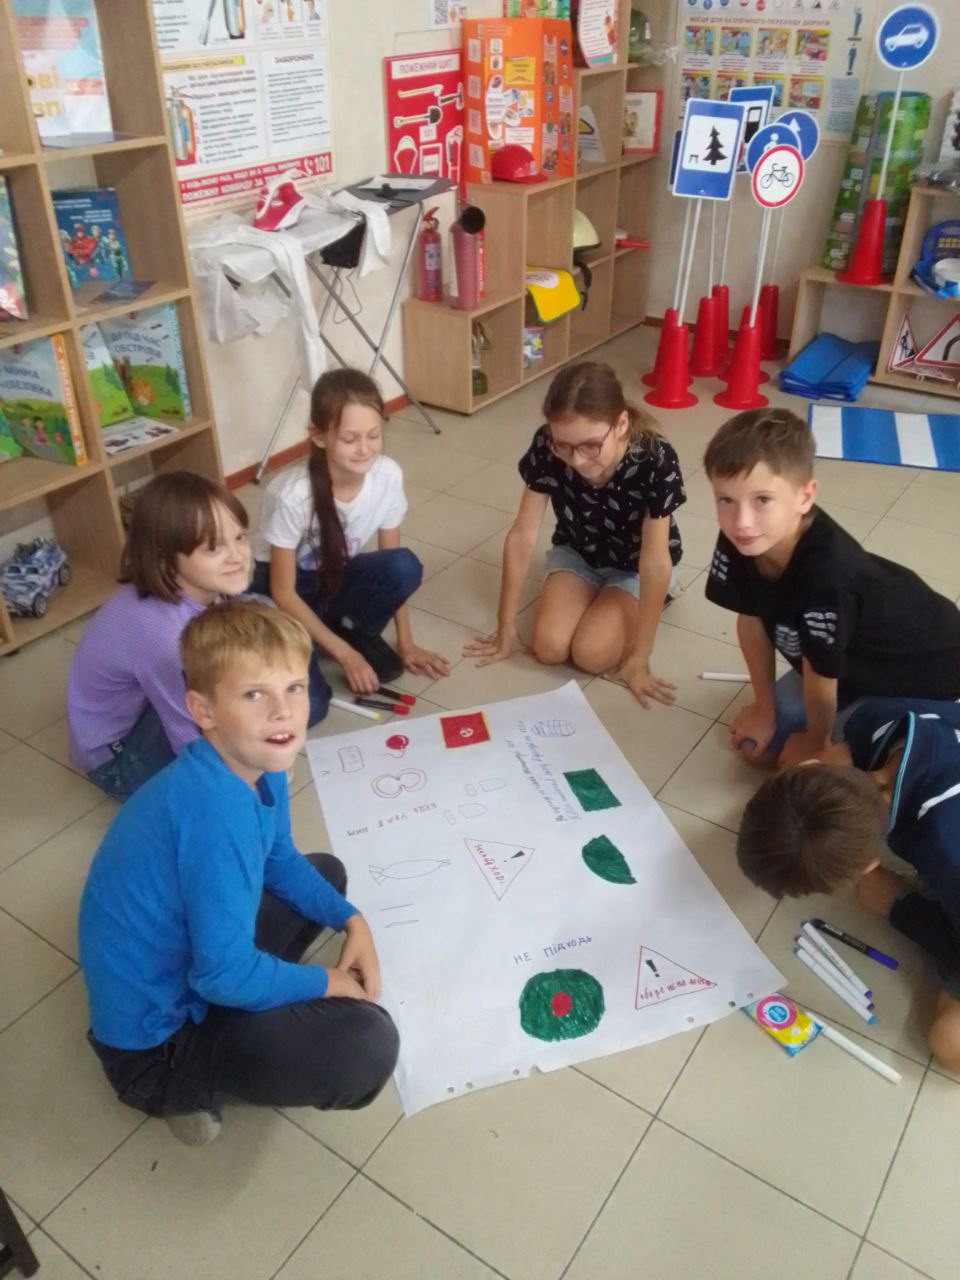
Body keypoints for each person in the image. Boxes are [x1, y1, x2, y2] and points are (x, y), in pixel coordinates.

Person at [78, 602, 399, 1146]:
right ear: (202, 710)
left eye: (294, 687)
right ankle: (180, 1090)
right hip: (154, 1049)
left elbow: (279, 860)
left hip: (193, 971)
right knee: (369, 1046)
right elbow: (221, 978)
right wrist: (328, 982)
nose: (283, 712)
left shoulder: (255, 764)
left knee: (326, 875)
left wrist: (353, 921)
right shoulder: (214, 812)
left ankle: (247, 1009)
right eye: (254, 695)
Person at [702, 407, 960, 766]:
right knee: (756, 750)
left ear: (805, 496)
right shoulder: (746, 536)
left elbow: (821, 676)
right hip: (845, 663)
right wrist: (764, 707)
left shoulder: (828, 573)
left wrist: (816, 743)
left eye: (762, 500)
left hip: (923, 675)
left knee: (803, 769)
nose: (742, 521)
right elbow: (751, 618)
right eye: (726, 500)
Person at [737, 697, 960, 1072]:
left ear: (871, 863)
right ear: (809, 765)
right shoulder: (876, 718)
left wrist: (900, 906)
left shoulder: (947, 853)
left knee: (950, 1043)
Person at [465, 361, 684, 707]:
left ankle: (643, 600)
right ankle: (600, 599)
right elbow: (522, 534)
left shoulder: (656, 458)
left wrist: (640, 657)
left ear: (621, 424)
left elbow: (655, 561)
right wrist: (505, 625)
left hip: (634, 567)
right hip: (578, 553)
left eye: (591, 446)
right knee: (549, 648)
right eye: (563, 446)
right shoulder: (546, 444)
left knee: (590, 654)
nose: (577, 461)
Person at [252, 368, 448, 722]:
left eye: (374, 435)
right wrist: (345, 654)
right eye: (350, 439)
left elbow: (392, 562)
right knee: (311, 709)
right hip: (280, 592)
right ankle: (322, 639)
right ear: (319, 436)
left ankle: (340, 627)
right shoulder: (293, 495)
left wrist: (406, 643)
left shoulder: (387, 475)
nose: (365, 449)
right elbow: (283, 592)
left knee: (403, 566)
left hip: (331, 578)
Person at [67, 472, 252, 801]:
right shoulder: (168, 638)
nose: (237, 556)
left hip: (143, 706)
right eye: (213, 548)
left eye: (239, 538)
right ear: (167, 560)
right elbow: (188, 736)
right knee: (216, 702)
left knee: (257, 621)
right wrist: (243, 783)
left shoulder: (200, 588)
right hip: (117, 761)